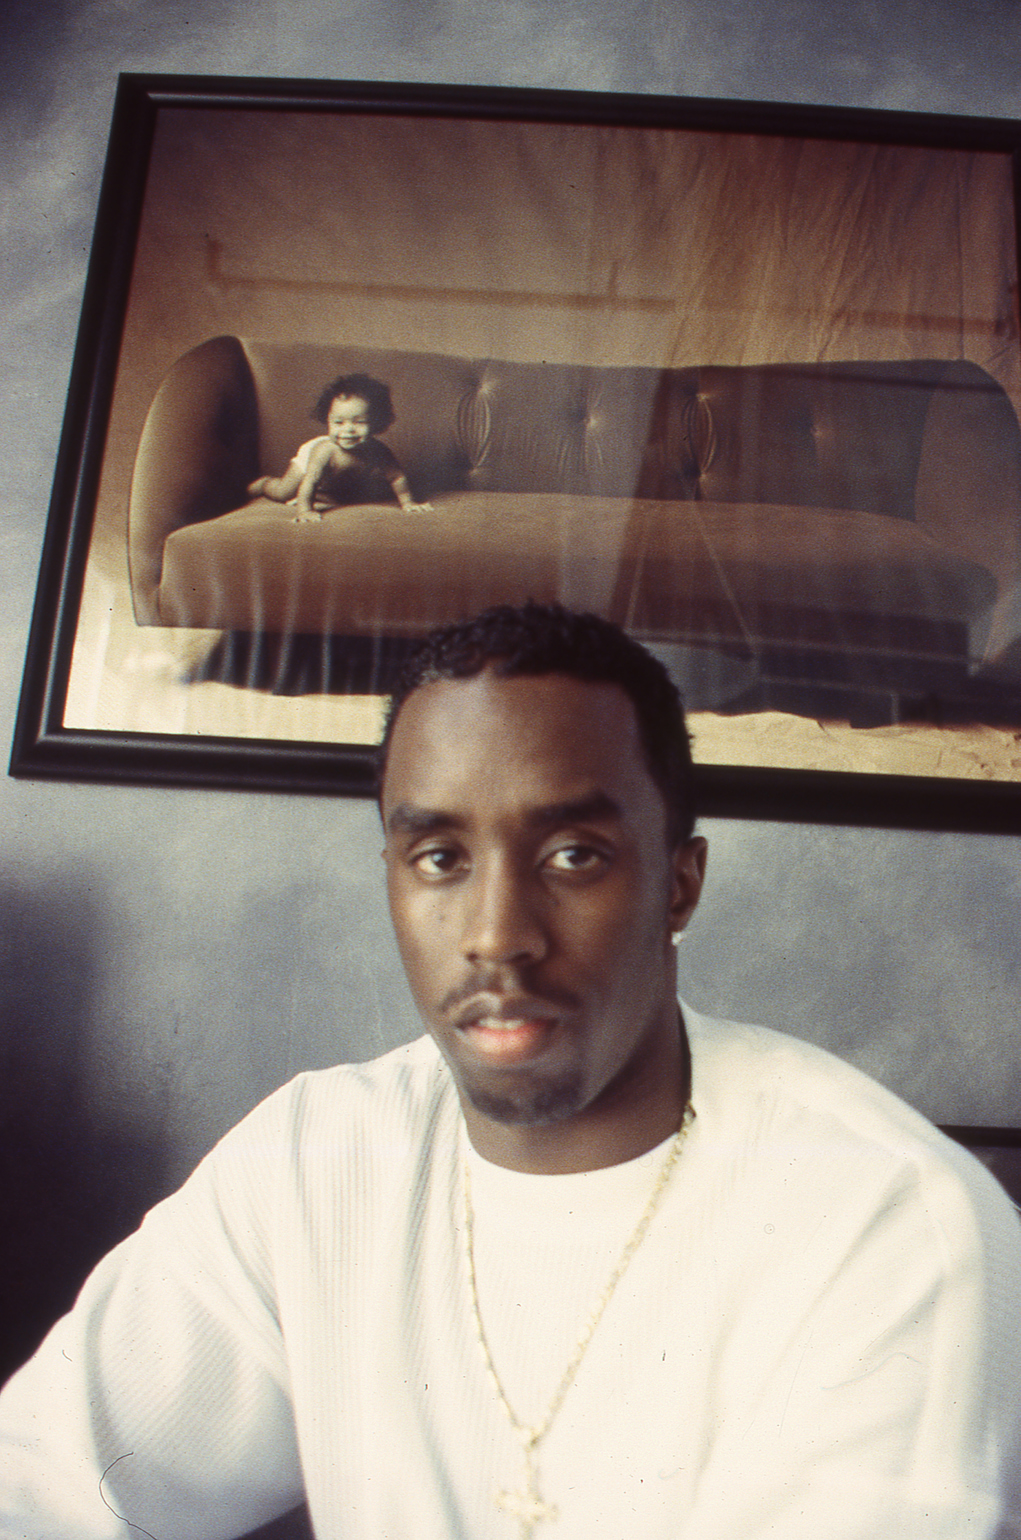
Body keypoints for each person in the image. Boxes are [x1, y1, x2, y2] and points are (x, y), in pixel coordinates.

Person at [2, 601, 1021, 1540]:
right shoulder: (316, 1160)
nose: (496, 936)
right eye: (440, 858)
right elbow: (39, 1484)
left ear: (678, 885)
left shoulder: (891, 1223)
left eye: (573, 853)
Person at [247, 372, 431, 522]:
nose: (348, 430)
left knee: (341, 494)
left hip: (337, 479)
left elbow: (396, 477)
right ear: (327, 420)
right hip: (310, 463)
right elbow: (310, 481)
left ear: (376, 423)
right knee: (284, 492)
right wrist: (305, 511)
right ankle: (264, 484)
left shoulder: (378, 451)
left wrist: (408, 502)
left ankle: (320, 494)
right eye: (338, 422)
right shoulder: (325, 451)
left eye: (359, 422)